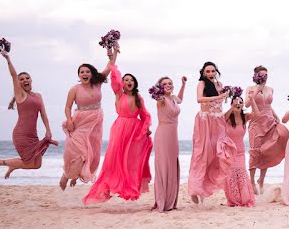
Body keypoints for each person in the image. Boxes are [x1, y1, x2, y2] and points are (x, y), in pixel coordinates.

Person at [83, 66, 153, 204]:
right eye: (126, 79)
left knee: (130, 161)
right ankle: (109, 185)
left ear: (135, 83)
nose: (129, 81)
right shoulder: (119, 94)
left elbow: (144, 114)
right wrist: (113, 65)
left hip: (134, 131)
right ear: (123, 83)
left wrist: (146, 128)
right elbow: (115, 81)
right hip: (120, 128)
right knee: (115, 159)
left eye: (131, 80)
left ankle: (129, 188)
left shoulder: (138, 97)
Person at [0, 48, 57, 178]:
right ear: (19, 83)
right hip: (21, 135)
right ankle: (0, 162)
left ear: (31, 80)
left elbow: (43, 115)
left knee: (37, 165)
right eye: (22, 79)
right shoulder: (20, 95)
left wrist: (48, 130)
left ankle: (13, 165)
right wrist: (8, 59)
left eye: (27, 78)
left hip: (33, 135)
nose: (25, 80)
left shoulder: (38, 96)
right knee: (29, 162)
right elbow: (13, 75)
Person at [60, 47, 117, 189]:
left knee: (93, 151)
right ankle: (67, 175)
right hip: (80, 122)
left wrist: (113, 53)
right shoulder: (74, 89)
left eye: (87, 71)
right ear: (78, 75)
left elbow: (110, 66)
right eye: (81, 72)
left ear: (91, 74)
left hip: (96, 120)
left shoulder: (97, 84)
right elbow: (67, 107)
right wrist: (70, 121)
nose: (84, 74)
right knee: (80, 151)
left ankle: (79, 174)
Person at [188, 62, 228, 204]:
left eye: (213, 71)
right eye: (208, 71)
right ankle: (194, 188)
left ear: (216, 72)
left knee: (216, 155)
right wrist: (218, 97)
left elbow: (220, 103)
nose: (211, 73)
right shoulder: (202, 83)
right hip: (205, 121)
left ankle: (205, 188)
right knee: (202, 154)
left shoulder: (219, 84)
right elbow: (199, 99)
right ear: (204, 73)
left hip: (218, 121)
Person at [245, 65, 289, 194]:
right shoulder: (251, 88)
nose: (264, 78)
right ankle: (252, 181)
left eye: (266, 75)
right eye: (262, 75)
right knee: (255, 151)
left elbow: (269, 105)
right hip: (256, 122)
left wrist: (276, 116)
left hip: (269, 121)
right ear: (256, 76)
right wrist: (258, 88)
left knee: (267, 150)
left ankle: (261, 180)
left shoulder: (270, 89)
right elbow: (247, 104)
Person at [151, 75, 186, 212]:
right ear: (160, 87)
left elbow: (181, 100)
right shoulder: (161, 99)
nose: (168, 85)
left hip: (173, 135)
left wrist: (183, 84)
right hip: (163, 134)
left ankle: (170, 201)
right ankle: (161, 201)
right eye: (164, 83)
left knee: (172, 166)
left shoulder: (173, 98)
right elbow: (157, 97)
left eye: (170, 83)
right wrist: (157, 92)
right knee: (163, 167)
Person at [219, 94, 255, 207]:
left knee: (241, 174)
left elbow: (257, 114)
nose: (238, 104)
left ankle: (244, 198)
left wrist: (252, 100)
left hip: (240, 151)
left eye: (240, 102)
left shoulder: (245, 117)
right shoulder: (229, 117)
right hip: (229, 150)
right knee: (231, 175)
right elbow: (222, 118)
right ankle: (234, 199)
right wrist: (232, 107)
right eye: (236, 102)